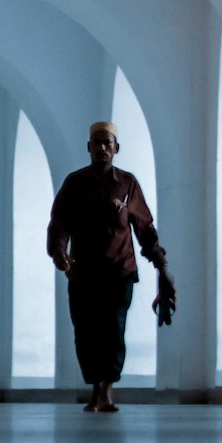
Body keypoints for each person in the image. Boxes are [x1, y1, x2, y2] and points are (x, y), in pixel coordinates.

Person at [47, 120, 176, 413]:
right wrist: (58, 252)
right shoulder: (74, 183)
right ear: (88, 147)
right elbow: (59, 223)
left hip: (119, 272)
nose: (103, 148)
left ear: (116, 149)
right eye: (98, 142)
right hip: (81, 274)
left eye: (109, 143)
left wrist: (161, 265)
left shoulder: (127, 184)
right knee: (85, 332)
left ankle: (106, 390)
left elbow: (144, 227)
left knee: (113, 331)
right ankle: (95, 387)